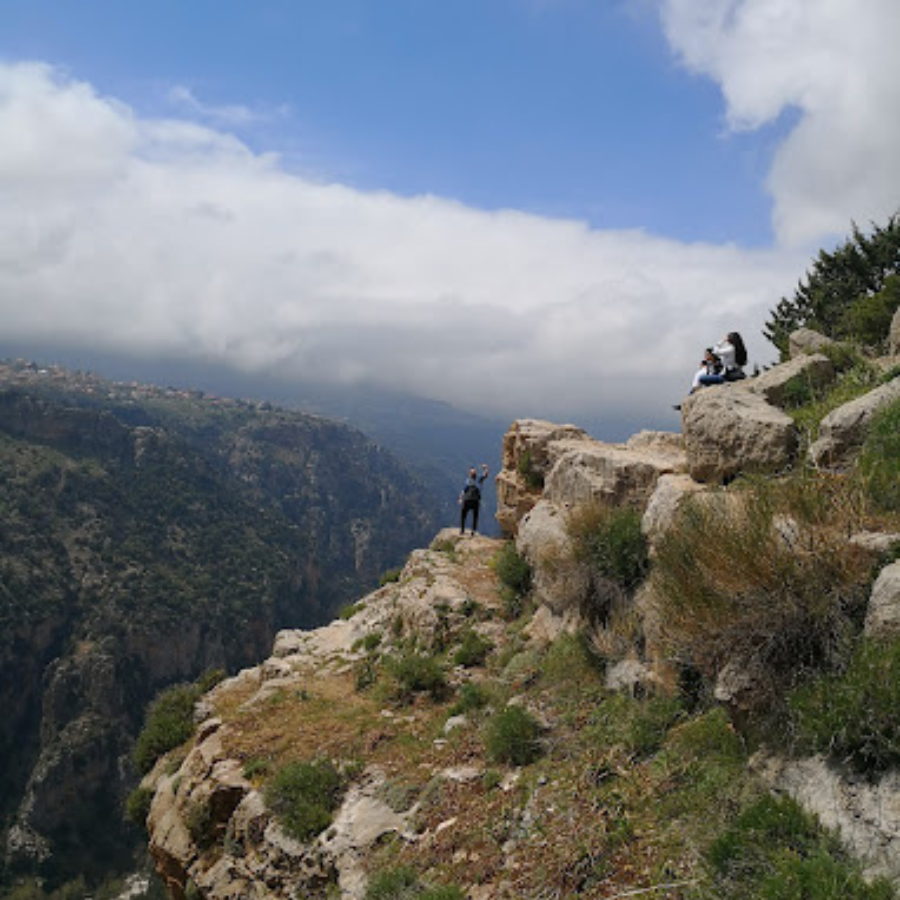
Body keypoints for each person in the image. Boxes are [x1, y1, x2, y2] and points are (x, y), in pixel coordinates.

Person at [459, 464, 489, 535]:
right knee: (475, 516)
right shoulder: (479, 479)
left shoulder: (468, 480)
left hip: (467, 499)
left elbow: (464, 490)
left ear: (469, 474)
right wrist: (486, 468)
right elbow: (486, 475)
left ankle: (462, 530)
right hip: (475, 500)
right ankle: (473, 531)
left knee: (463, 515)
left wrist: (460, 498)